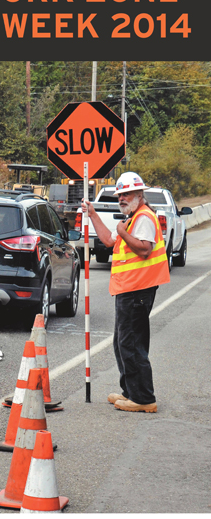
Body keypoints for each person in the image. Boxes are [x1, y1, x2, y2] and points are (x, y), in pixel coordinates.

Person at [81, 172, 170, 413]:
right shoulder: (132, 218)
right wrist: (93, 214)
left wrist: (122, 233)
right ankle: (130, 391)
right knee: (122, 343)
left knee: (131, 343)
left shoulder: (143, 218)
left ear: (140, 194)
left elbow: (143, 249)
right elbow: (109, 240)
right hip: (129, 289)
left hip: (137, 289)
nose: (122, 198)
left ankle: (143, 398)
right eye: (120, 194)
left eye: (127, 194)